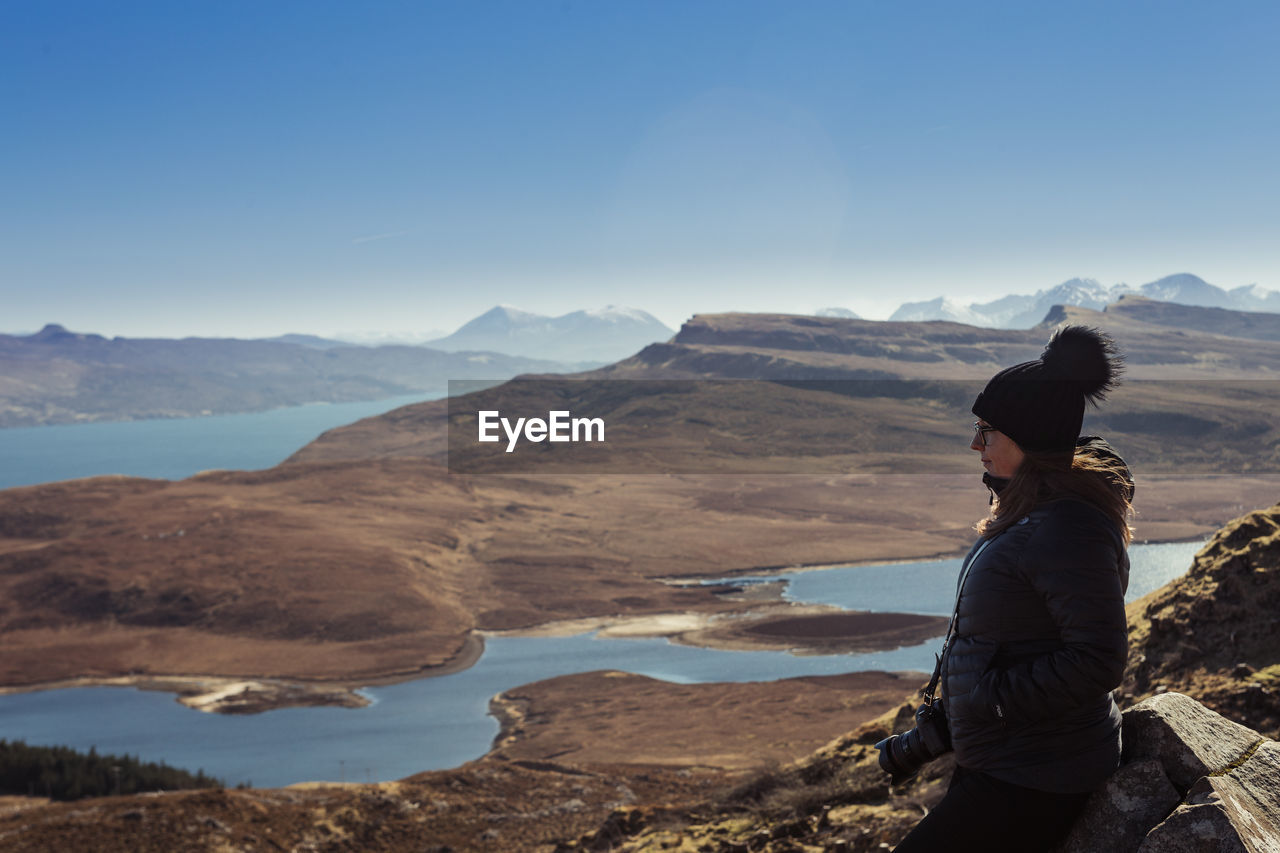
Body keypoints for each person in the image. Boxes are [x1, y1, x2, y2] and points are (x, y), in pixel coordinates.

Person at [890, 325, 1135, 853]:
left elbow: (1098, 658)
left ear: (1028, 439)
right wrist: (923, 743)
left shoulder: (1066, 526)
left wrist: (985, 702)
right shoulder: (1029, 513)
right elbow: (999, 646)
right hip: (1010, 762)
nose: (974, 444)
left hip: (1040, 775)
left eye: (987, 431)